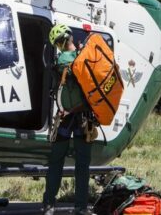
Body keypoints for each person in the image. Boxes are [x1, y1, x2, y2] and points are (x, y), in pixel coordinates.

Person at [42, 24, 94, 215]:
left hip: (66, 117)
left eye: (57, 43)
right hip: (84, 118)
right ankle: (80, 207)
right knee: (82, 164)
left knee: (56, 160)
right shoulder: (85, 57)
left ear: (60, 42)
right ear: (70, 37)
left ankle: (49, 203)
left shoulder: (63, 59)